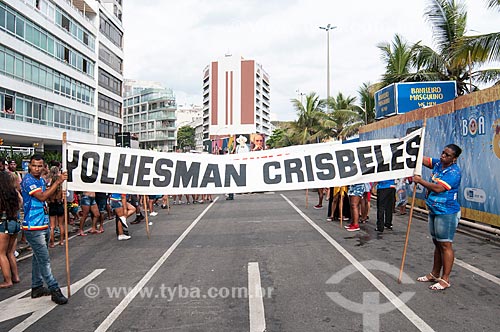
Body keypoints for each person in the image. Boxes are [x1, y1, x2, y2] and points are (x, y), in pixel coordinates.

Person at [414, 144, 462, 291]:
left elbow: (439, 188)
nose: (443, 156)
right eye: (443, 153)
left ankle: (445, 279)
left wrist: (420, 181)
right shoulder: (438, 164)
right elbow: (423, 160)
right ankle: (434, 274)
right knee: (437, 243)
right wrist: (411, 148)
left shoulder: (454, 172)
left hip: (446, 212)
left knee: (445, 244)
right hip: (434, 210)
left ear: (454, 159)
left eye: (447, 155)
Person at [21, 154, 68, 304]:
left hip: (43, 223)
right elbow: (41, 197)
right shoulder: (28, 180)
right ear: (29, 166)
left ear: (44, 167)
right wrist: (58, 182)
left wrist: (60, 192)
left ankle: (37, 287)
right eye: (34, 165)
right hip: (33, 226)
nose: (37, 168)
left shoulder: (40, 180)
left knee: (38, 257)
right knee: (44, 260)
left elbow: (46, 196)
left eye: (40, 166)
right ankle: (54, 289)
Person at [0, 172, 22, 288]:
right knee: (10, 252)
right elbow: (20, 203)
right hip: (15, 222)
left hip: (4, 224)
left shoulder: (1, 195)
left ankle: (7, 280)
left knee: (1, 253)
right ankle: (15, 277)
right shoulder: (14, 193)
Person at [47, 166, 65, 247]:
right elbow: (63, 197)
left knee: (52, 226)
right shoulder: (61, 185)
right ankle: (61, 241)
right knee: (61, 225)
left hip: (52, 204)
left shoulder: (50, 185)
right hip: (59, 204)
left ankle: (52, 243)